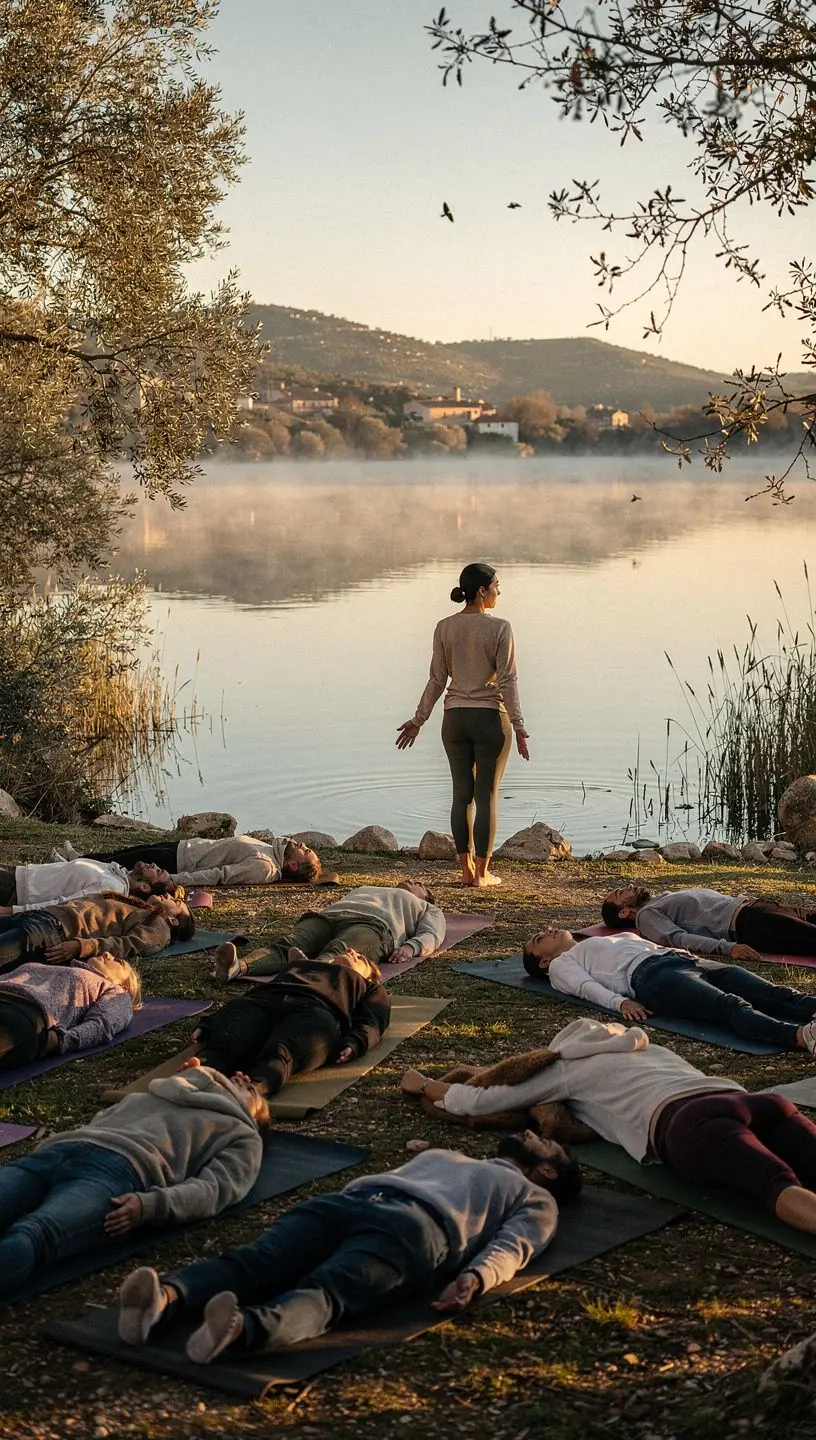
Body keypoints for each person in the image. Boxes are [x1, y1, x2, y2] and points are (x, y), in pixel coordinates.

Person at [116, 1135, 580, 1360]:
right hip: (349, 1202)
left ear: (548, 1173)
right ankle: (163, 1299)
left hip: (416, 1230)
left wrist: (476, 1278)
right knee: (257, 1260)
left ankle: (240, 1331)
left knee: (329, 1291)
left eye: (547, 1144)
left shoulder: (534, 1196)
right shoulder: (455, 1155)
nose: (536, 1134)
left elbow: (516, 1245)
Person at [401, 1015, 816, 1234]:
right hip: (753, 1100)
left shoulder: (568, 1065)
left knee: (775, 1184)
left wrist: (424, 1084)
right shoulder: (647, 1046)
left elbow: (474, 1101)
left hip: (688, 1122)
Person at [0, 1062, 270, 1292]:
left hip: (120, 1169)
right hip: (63, 1148)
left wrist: (151, 1205)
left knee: (35, 1233)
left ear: (254, 1117)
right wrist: (196, 1075)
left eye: (251, 1091)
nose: (243, 1079)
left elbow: (213, 1189)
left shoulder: (243, 1134)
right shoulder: (171, 1086)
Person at [396, 562, 530, 888]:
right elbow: (508, 681)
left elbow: (436, 680)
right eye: (497, 585)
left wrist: (418, 720)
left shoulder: (444, 627)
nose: (499, 590)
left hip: (453, 720)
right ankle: (482, 875)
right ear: (482, 591)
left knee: (461, 796)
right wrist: (520, 724)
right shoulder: (500, 628)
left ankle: (466, 871)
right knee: (486, 797)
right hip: (489, 720)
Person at [521, 926, 816, 1053]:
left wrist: (694, 959)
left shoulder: (588, 942)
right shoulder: (562, 965)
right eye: (539, 938)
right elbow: (584, 987)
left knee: (773, 993)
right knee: (730, 1006)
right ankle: (801, 1037)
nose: (547, 930)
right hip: (652, 977)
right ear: (544, 961)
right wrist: (619, 1003)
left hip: (683, 959)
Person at [193, 947, 391, 1097]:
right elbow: (253, 994)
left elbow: (373, 1020)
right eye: (351, 950)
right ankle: (197, 1072)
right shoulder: (300, 967)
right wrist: (211, 1023)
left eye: (360, 958)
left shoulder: (366, 985)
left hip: (316, 1010)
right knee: (232, 1038)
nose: (351, 951)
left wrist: (355, 1042)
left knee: (283, 1050)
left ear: (370, 976)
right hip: (265, 1000)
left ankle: (253, 1088)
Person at [215, 880, 444, 983]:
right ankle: (238, 966)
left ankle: (310, 974)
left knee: (340, 950)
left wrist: (410, 947)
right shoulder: (370, 887)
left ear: (425, 896)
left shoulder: (426, 907)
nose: (413, 880)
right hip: (330, 916)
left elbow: (433, 934)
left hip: (374, 925)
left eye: (420, 884)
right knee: (292, 942)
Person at [0, 952, 142, 1068]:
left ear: (125, 986)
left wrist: (62, 1040)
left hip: (24, 1010)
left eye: (118, 961)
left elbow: (102, 1024)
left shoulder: (116, 991)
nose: (107, 953)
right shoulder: (62, 967)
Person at [601, 883, 816, 959]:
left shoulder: (658, 900)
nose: (629, 885)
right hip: (749, 923)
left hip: (756, 906)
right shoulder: (646, 917)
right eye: (621, 892)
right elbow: (678, 939)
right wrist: (728, 949)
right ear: (623, 912)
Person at [0, 892, 195, 973]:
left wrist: (83, 946)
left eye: (176, 903)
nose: (169, 895)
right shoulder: (141, 909)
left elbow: (127, 945)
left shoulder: (160, 930)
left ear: (173, 920)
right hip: (40, 917)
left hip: (52, 932)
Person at [67, 833, 321, 887]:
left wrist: (174, 879)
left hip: (180, 863)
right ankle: (75, 860)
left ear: (293, 865)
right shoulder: (273, 849)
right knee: (121, 854)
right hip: (183, 848)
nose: (302, 844)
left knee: (121, 864)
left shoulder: (264, 867)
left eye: (305, 850)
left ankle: (72, 868)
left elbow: (219, 876)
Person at [0, 856, 178, 912]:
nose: (154, 865)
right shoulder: (117, 873)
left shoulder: (113, 888)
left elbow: (64, 904)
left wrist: (12, 912)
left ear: (145, 887)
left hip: (15, 891)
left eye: (158, 872)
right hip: (18, 876)